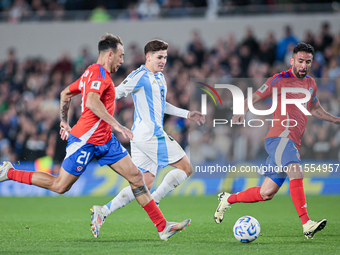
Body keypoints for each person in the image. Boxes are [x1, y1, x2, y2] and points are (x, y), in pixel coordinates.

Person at [0, 33, 191, 241]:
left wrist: (64, 120)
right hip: (86, 140)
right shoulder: (98, 73)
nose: (123, 61)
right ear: (110, 54)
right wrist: (117, 125)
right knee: (60, 186)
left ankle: (162, 227)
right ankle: (10, 172)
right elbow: (91, 102)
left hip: (106, 141)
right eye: (121, 56)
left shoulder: (92, 74)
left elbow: (65, 93)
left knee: (137, 177)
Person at [214, 42, 340, 239]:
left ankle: (228, 199)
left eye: (308, 62)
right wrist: (241, 110)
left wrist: (335, 119)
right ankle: (307, 223)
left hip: (292, 141)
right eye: (300, 61)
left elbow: (314, 109)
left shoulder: (311, 84)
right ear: (292, 61)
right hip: (280, 137)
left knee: (267, 192)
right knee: (295, 170)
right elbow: (253, 98)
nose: (303, 66)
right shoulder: (279, 79)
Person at [90, 39, 205, 237]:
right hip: (151, 135)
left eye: (166, 58)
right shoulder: (139, 76)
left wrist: (187, 114)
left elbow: (162, 105)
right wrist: (94, 95)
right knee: (187, 168)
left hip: (140, 138)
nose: (163, 61)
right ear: (148, 57)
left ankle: (103, 211)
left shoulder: (160, 77)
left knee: (143, 184)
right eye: (159, 57)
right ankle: (157, 201)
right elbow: (117, 92)